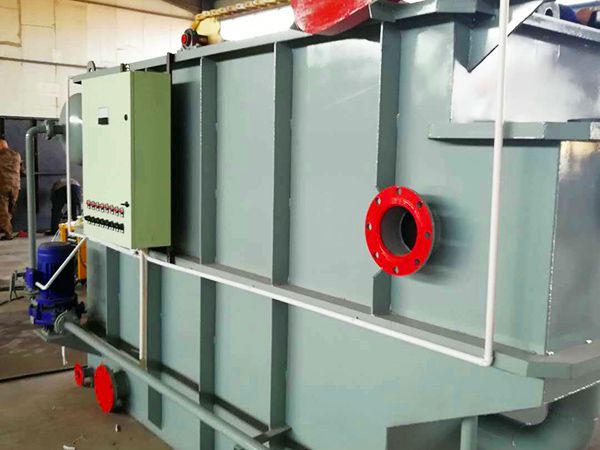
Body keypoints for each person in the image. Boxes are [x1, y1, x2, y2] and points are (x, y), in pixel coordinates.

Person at [0, 137, 23, 240]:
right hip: (15, 187)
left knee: (3, 211)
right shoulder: (16, 155)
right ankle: (6, 228)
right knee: (10, 209)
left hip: (2, 186)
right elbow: (22, 170)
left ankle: (8, 233)